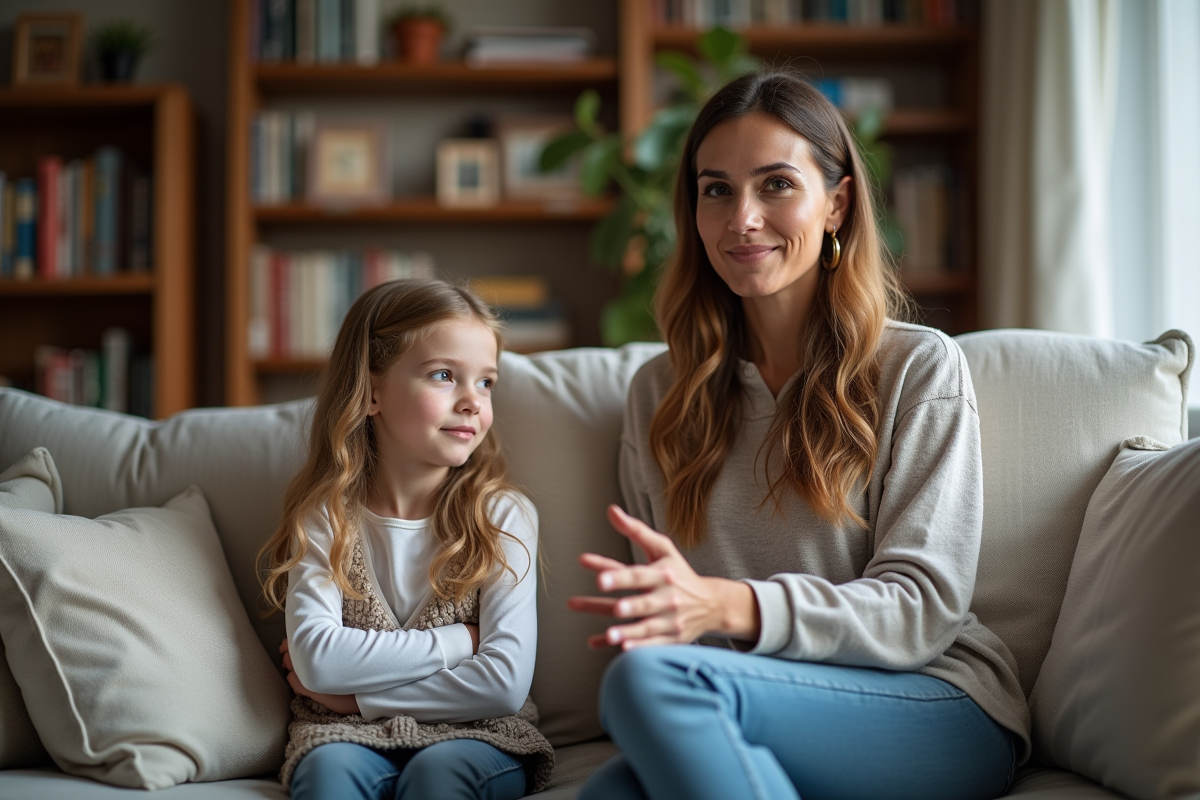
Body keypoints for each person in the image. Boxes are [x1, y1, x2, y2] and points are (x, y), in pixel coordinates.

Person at [569, 70, 1029, 800]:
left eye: (776, 184)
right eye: (715, 189)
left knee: (648, 682)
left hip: (932, 701)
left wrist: (731, 605)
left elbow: (921, 608)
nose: (741, 218)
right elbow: (672, 623)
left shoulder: (918, 367)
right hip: (758, 700)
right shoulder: (659, 393)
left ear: (837, 203)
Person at [257, 279, 553, 800]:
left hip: (480, 735)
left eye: (486, 383)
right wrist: (462, 641)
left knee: (437, 778)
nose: (471, 402)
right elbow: (318, 661)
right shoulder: (325, 516)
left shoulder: (503, 517)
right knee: (327, 779)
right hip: (343, 739)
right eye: (444, 375)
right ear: (372, 391)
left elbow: (503, 684)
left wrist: (357, 700)